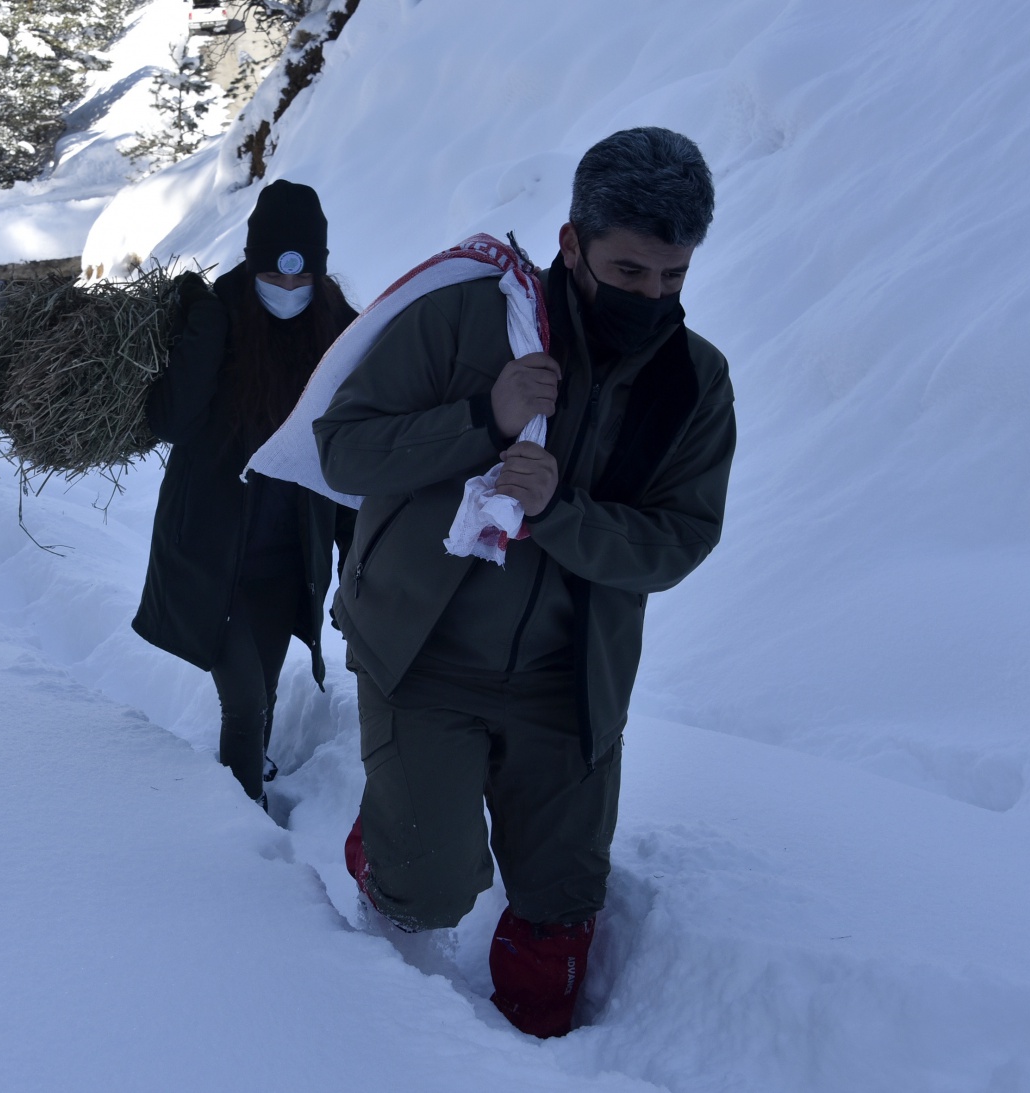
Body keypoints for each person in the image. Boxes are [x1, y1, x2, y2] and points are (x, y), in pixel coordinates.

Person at [314, 128, 737, 1038]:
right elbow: (343, 446)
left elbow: (679, 539)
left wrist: (559, 514)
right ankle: (392, 868)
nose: (652, 296)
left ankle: (533, 1059)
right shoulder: (466, 317)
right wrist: (483, 416)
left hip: (567, 679)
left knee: (560, 900)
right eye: (629, 273)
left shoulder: (694, 381)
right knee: (425, 881)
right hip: (422, 654)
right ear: (573, 242)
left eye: (673, 277)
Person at [132, 180, 358, 809]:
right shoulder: (215, 314)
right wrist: (202, 336)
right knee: (245, 696)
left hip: (288, 554)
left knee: (264, 679)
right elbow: (171, 422)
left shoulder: (338, 329)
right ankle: (242, 830)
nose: (288, 292)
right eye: (274, 277)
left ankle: (254, 767)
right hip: (213, 549)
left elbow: (350, 452)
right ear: (253, 263)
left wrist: (352, 551)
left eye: (301, 279)